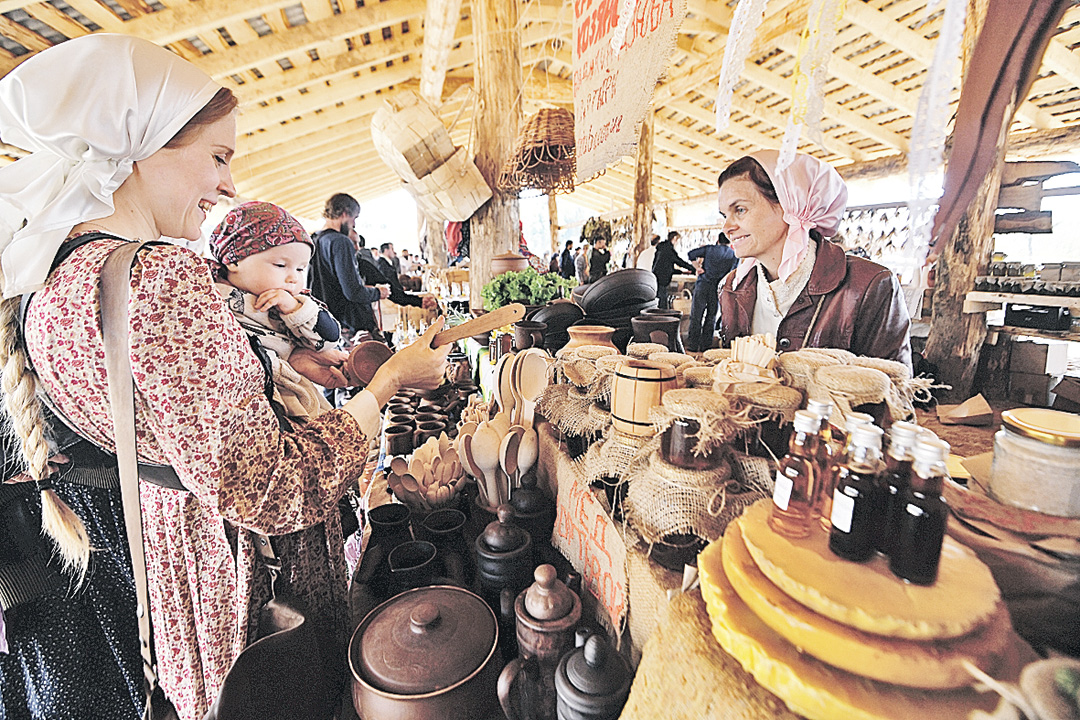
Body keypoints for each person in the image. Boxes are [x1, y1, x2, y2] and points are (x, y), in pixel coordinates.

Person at [0, 34, 450, 720]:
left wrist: (275, 369)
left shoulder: (54, 276)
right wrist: (385, 384)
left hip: (176, 561)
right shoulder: (159, 275)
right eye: (217, 156)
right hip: (240, 572)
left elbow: (172, 413)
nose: (229, 184)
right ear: (137, 147)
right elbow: (270, 489)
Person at [717, 150, 911, 367]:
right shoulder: (731, 287)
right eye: (725, 215)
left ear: (790, 203)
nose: (727, 228)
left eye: (740, 209)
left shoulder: (869, 285)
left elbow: (894, 389)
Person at [208, 201, 343, 420]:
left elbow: (329, 338)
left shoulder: (292, 301)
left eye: (301, 269)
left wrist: (294, 309)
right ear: (234, 260)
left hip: (296, 398)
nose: (293, 278)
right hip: (254, 408)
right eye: (281, 265)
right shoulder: (210, 300)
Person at [309, 193, 390, 340]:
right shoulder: (340, 241)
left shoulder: (314, 238)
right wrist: (379, 292)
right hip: (347, 325)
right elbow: (353, 292)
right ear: (345, 213)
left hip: (324, 322)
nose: (354, 224)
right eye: (354, 218)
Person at [686, 233, 738, 353]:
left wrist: (697, 268)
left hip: (703, 285)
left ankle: (693, 346)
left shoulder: (709, 249)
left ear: (718, 240)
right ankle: (706, 346)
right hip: (718, 288)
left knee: (696, 315)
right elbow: (733, 273)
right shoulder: (733, 255)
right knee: (711, 316)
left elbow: (691, 254)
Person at [652, 231, 696, 309]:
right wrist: (693, 268)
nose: (677, 243)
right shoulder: (668, 249)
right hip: (662, 279)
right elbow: (679, 261)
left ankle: (660, 317)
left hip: (656, 277)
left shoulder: (661, 248)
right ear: (675, 238)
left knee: (660, 300)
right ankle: (663, 318)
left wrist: (681, 272)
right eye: (678, 241)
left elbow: (666, 265)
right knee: (662, 303)